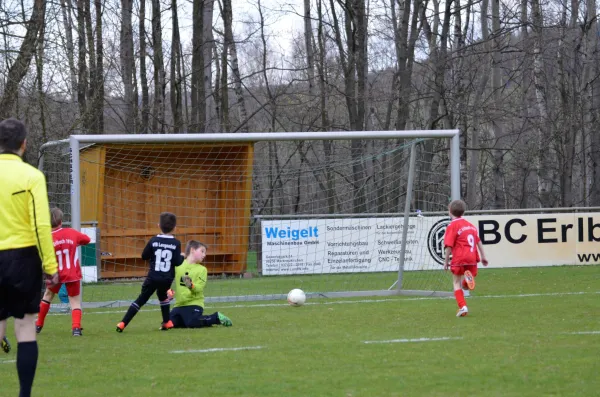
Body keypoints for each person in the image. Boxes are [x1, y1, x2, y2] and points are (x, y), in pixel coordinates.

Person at [0, 118, 59, 397]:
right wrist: (51, 266)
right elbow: (41, 225)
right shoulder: (32, 176)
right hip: (23, 258)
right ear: (24, 144)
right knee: (25, 329)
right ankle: (24, 394)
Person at [116, 212, 183, 332]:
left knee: (142, 299)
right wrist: (182, 256)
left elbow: (144, 256)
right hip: (167, 278)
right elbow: (178, 262)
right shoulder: (176, 243)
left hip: (153, 277)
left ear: (158, 225)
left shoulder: (153, 240)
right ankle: (166, 322)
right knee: (163, 297)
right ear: (175, 228)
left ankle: (123, 323)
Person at [35, 208, 91, 336]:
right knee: (75, 301)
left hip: (54, 273)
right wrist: (74, 243)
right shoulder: (71, 232)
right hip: (72, 272)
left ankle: (38, 325)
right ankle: (76, 329)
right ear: (61, 221)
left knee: (47, 296)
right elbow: (87, 239)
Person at [168, 240, 232, 329]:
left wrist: (190, 285)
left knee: (192, 322)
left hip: (194, 303)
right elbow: (169, 278)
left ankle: (216, 317)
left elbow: (199, 288)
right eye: (202, 251)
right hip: (179, 304)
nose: (204, 255)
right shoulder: (178, 265)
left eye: (205, 252)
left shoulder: (202, 270)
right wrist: (169, 291)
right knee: (167, 323)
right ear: (192, 250)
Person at [443, 199, 489, 317]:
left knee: (456, 282)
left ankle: (463, 306)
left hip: (459, 258)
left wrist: (446, 261)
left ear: (450, 211)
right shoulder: (471, 226)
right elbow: (478, 242)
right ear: (463, 212)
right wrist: (483, 257)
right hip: (472, 258)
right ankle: (467, 282)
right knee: (464, 283)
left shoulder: (452, 225)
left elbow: (449, 245)